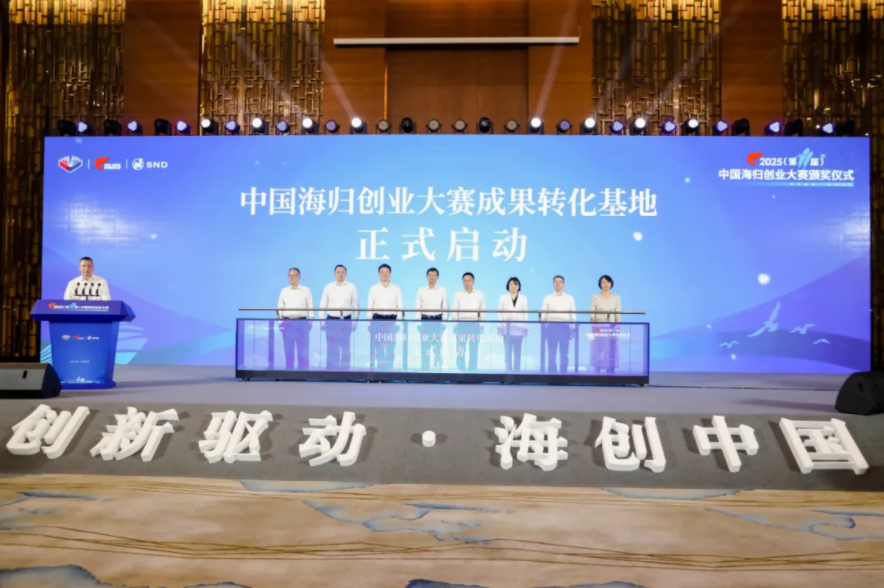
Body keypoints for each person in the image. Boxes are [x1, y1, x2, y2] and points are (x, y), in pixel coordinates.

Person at [319, 265, 359, 370]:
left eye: (342, 272)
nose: (340, 274)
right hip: (331, 320)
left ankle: (346, 371)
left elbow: (355, 305)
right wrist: (321, 320)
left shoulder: (351, 287)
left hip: (346, 320)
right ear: (334, 274)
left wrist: (355, 320)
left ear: (345, 274)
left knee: (345, 346)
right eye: (338, 272)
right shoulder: (328, 287)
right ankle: (331, 371)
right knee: (332, 347)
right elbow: (323, 304)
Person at [368, 263, 403, 371]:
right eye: (382, 272)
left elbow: (399, 306)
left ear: (390, 273)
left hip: (391, 320)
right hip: (377, 319)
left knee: (390, 347)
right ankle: (380, 371)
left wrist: (398, 322)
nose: (385, 274)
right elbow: (370, 306)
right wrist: (369, 322)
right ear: (379, 274)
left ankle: (389, 371)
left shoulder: (396, 288)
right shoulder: (373, 288)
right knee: (379, 347)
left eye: (387, 272)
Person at [277, 268, 313, 370]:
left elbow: (310, 306)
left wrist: (311, 321)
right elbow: (280, 307)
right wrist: (280, 322)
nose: (292, 277)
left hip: (302, 322)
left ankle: (303, 373)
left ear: (299, 277)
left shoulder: (306, 290)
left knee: (303, 351)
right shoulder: (284, 291)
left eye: (294, 275)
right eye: (290, 275)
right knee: (289, 351)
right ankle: (289, 372)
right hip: (287, 323)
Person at [540, 275, 576, 374]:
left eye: (560, 282)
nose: (558, 284)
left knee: (564, 353)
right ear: (553, 284)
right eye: (555, 282)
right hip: (551, 327)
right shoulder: (547, 298)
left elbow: (573, 314)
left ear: (563, 284)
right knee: (551, 353)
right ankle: (552, 374)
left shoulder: (569, 298)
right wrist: (543, 327)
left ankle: (563, 374)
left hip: (564, 327)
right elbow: (544, 313)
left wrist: (573, 329)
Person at [415, 267, 448, 370]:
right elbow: (418, 306)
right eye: (430, 275)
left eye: (434, 275)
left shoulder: (442, 290)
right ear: (426, 276)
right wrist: (418, 322)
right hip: (425, 319)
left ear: (437, 277)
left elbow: (445, 306)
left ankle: (437, 368)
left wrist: (444, 321)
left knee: (437, 346)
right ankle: (425, 369)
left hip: (437, 320)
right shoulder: (421, 290)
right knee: (425, 346)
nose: (432, 277)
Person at [452, 272, 485, 372]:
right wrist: (455, 325)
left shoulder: (479, 294)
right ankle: (461, 371)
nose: (467, 283)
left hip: (474, 324)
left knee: (473, 349)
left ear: (473, 281)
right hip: (461, 324)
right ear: (462, 282)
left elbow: (482, 310)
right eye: (465, 281)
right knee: (460, 349)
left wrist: (482, 325)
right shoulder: (458, 294)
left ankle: (472, 371)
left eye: (469, 280)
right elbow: (455, 311)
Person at [590, 274, 622, 373]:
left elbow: (618, 313)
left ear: (611, 284)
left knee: (611, 350)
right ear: (600, 284)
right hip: (599, 327)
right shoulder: (595, 297)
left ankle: (610, 370)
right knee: (599, 350)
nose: (606, 284)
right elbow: (592, 314)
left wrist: (617, 327)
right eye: (603, 282)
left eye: (608, 282)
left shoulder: (616, 297)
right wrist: (594, 327)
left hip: (612, 327)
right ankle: (598, 370)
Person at [497, 277, 528, 372]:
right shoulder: (503, 297)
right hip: (507, 329)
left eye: (515, 284)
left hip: (519, 329)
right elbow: (500, 313)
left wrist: (525, 328)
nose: (513, 286)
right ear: (508, 286)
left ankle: (517, 373)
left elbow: (525, 313)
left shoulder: (523, 298)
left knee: (517, 353)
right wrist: (499, 327)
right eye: (511, 284)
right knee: (508, 353)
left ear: (518, 286)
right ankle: (508, 373)